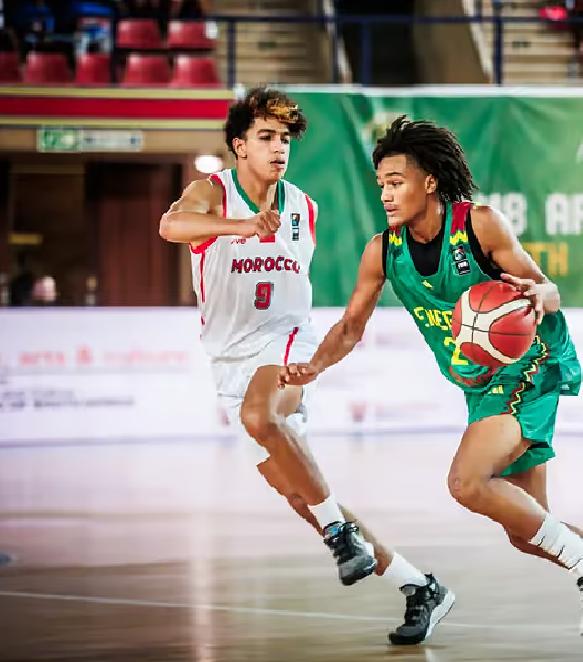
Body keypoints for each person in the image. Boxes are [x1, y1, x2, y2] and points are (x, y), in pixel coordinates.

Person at [279, 116, 583, 656]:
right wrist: (313, 367)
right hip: (482, 386)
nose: (385, 193)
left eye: (396, 181)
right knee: (528, 531)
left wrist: (545, 296)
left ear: (429, 181)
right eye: (380, 183)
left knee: (466, 482)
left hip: (532, 362)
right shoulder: (383, 252)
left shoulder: (479, 223)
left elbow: (545, 289)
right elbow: (350, 328)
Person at [158, 90, 454, 645]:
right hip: (228, 359)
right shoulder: (211, 192)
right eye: (266, 137)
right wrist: (242, 229)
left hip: (286, 341)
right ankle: (421, 586)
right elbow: (171, 228)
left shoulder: (304, 207)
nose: (279, 148)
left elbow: (287, 290)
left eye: (286, 139)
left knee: (260, 417)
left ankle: (340, 533)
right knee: (305, 500)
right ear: (240, 145)